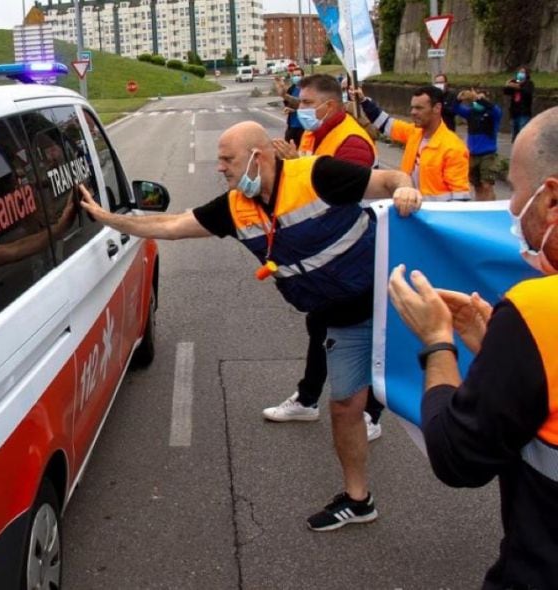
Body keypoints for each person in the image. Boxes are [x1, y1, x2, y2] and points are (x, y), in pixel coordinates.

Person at [79, 121, 424, 531]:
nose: (220, 168)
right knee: (345, 407)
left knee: (436, 395)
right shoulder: (234, 206)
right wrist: (108, 219)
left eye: (227, 159)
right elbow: (171, 226)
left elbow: (389, 180)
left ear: (258, 157)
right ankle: (358, 499)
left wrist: (406, 188)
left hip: (397, 304)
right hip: (344, 322)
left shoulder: (318, 174)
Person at [387, 106, 558, 589]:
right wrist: (496, 352)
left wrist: (438, 344)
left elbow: (458, 457)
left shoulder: (537, 311)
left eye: (516, 196)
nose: (511, 211)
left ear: (550, 200)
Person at [267, 74, 384, 440]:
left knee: (370, 333)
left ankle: (371, 414)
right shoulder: (316, 133)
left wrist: (299, 165)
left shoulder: (352, 142)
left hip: (363, 253)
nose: (299, 110)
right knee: (319, 323)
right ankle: (307, 398)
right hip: (334, 252)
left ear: (328, 106)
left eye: (304, 103)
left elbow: (339, 195)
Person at [355, 85, 471, 201]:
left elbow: (460, 199)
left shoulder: (454, 148)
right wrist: (363, 100)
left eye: (419, 108)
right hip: (408, 210)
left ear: (437, 108)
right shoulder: (414, 133)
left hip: (433, 216)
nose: (413, 112)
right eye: (412, 108)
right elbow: (385, 123)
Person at [454, 89, 502, 201]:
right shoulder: (471, 113)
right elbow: (456, 109)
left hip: (488, 154)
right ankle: (481, 206)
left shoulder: (493, 114)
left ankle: (490, 207)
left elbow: (494, 108)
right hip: (473, 154)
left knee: (487, 185)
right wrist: (458, 99)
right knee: (477, 186)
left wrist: (479, 98)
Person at [274, 64, 305, 146]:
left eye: (298, 75)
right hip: (292, 125)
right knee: (288, 148)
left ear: (303, 76)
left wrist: (294, 110)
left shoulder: (306, 89)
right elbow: (287, 102)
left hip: (303, 126)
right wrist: (281, 87)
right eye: (294, 75)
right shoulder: (292, 89)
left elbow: (303, 104)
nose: (296, 77)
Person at [503, 66, 535, 141]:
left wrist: (517, 86)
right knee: (515, 134)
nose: (520, 74)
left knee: (522, 134)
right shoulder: (515, 82)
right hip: (514, 112)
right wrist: (508, 84)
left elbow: (527, 92)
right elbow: (506, 91)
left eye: (523, 72)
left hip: (524, 113)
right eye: (519, 72)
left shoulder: (529, 84)